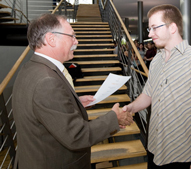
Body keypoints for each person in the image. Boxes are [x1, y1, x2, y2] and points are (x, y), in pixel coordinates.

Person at [12, 14, 133, 169]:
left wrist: (74, 101)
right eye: (72, 36)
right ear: (51, 39)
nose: (76, 41)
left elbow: (44, 110)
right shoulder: (47, 81)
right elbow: (77, 136)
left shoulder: (31, 68)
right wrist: (113, 118)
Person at [122, 4, 191, 169]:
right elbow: (148, 94)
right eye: (149, 29)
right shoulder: (157, 61)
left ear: (172, 27)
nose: (150, 34)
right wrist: (130, 108)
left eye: (154, 28)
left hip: (182, 153)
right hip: (154, 146)